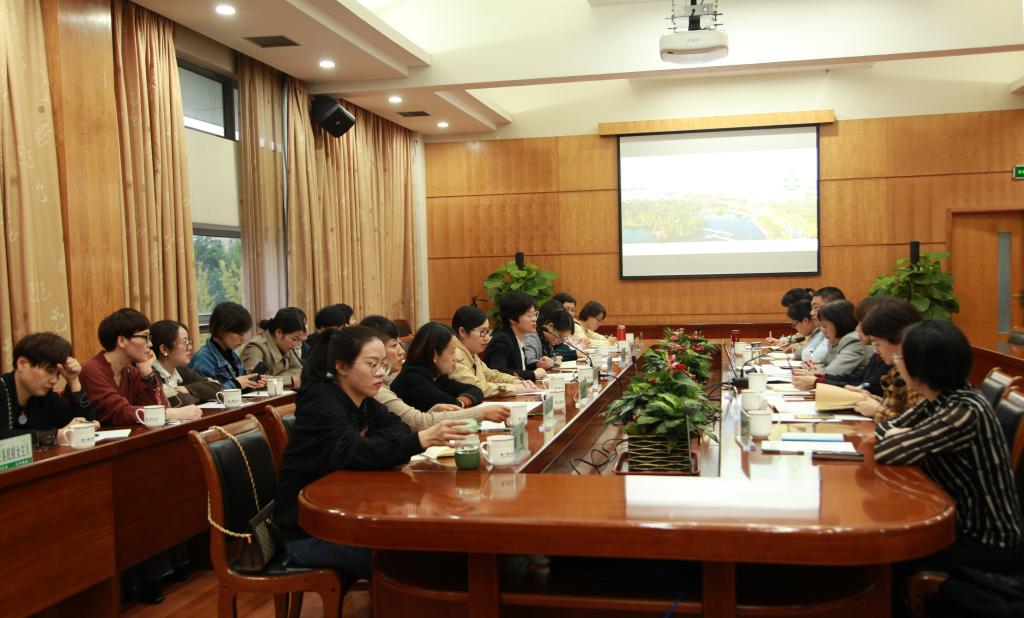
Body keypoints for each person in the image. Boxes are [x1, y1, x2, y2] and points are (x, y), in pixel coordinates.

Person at [275, 326, 472, 580]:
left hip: (348, 512)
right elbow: (355, 452)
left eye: (383, 364)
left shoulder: (363, 398)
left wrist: (372, 445)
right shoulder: (321, 403)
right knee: (416, 561)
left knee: (437, 548)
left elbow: (398, 429)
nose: (381, 372)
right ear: (342, 367)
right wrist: (420, 439)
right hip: (312, 531)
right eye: (372, 364)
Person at [869, 320, 1023, 606]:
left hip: (985, 540)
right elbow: (881, 431)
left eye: (901, 357)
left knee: (884, 551)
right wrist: (896, 434)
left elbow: (886, 450)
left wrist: (897, 435)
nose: (897, 363)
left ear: (920, 366)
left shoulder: (965, 410)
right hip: (958, 524)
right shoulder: (941, 398)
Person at [360, 315, 510, 429]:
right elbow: (417, 422)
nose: (401, 351)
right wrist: (481, 413)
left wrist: (438, 409)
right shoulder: (409, 379)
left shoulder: (436, 375)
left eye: (400, 344)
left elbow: (475, 390)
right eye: (394, 345)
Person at [80, 308, 192, 426]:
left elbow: (159, 407)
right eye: (145, 337)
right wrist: (173, 413)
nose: (150, 344)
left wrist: (148, 376)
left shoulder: (131, 370)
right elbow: (118, 412)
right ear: (122, 341)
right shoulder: (92, 370)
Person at [792, 297, 891, 394]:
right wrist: (816, 375)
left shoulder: (854, 340)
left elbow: (867, 387)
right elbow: (857, 378)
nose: (857, 329)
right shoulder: (876, 353)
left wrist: (816, 380)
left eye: (861, 324)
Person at [1, 332, 92, 437]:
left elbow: (83, 424)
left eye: (58, 374)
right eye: (49, 371)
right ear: (22, 364)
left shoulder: (45, 396)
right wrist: (54, 436)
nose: (54, 380)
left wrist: (74, 381)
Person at [390, 322, 485, 411]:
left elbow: (476, 390)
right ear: (434, 355)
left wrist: (461, 402)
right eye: (452, 352)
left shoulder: (437, 375)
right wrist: (460, 403)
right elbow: (451, 406)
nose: (455, 358)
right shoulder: (413, 378)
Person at [855, 299, 923, 422]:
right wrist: (871, 399)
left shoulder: (917, 371)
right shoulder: (897, 369)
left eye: (877, 344)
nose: (876, 351)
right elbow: (898, 408)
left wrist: (877, 411)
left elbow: (917, 424)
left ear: (897, 337)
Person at [450, 306, 536, 397]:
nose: (487, 337)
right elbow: (476, 387)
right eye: (482, 332)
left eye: (487, 331)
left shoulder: (472, 353)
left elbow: (491, 375)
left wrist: (515, 381)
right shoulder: (454, 355)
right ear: (462, 332)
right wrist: (514, 388)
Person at [189, 302, 265, 391]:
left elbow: (240, 390)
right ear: (222, 330)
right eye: (239, 333)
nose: (243, 339)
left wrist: (249, 382)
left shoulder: (231, 354)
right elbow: (203, 394)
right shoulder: (202, 360)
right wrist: (236, 384)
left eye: (245, 333)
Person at [150, 320, 221, 406]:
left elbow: (216, 387)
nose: (190, 347)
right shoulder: (149, 375)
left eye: (189, 342)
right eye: (185, 343)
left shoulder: (180, 369)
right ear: (164, 349)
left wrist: (187, 389)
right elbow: (182, 402)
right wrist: (195, 395)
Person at [483, 291, 548, 381]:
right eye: (529, 315)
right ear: (512, 319)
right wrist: (532, 374)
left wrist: (537, 364)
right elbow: (498, 372)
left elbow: (520, 368)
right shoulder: (502, 340)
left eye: (535, 314)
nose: (534, 319)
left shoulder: (517, 337)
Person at [241, 309, 305, 388]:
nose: (296, 345)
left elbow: (298, 371)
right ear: (279, 333)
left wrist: (273, 379)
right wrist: (290, 380)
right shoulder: (256, 347)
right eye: (294, 339)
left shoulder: (284, 345)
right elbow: (254, 381)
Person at [805, 299, 869, 376]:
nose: (823, 332)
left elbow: (832, 373)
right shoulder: (836, 341)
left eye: (825, 326)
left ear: (839, 324)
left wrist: (809, 372)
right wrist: (816, 368)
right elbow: (827, 366)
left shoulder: (854, 341)